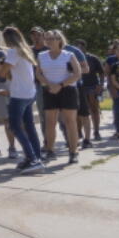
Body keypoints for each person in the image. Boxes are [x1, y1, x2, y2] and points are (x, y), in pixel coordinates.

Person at [0, 27, 44, 174]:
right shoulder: (26, 51)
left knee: (15, 127)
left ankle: (32, 158)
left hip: (19, 95)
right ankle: (36, 156)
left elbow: (3, 72)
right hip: (30, 93)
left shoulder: (13, 52)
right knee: (29, 127)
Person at [35, 30, 83, 164]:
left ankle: (73, 152)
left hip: (67, 90)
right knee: (50, 122)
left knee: (70, 122)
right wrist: (50, 84)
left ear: (59, 40)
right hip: (49, 90)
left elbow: (77, 73)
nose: (49, 41)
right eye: (47, 38)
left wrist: (60, 85)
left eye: (52, 38)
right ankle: (50, 150)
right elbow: (38, 74)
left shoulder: (69, 55)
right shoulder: (41, 55)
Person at [75, 40, 105, 143]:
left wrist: (100, 85)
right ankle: (79, 132)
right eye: (76, 47)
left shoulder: (93, 58)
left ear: (84, 47)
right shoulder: (72, 58)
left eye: (80, 47)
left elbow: (101, 72)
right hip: (78, 87)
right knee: (78, 112)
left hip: (92, 86)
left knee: (94, 109)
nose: (78, 49)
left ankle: (96, 131)